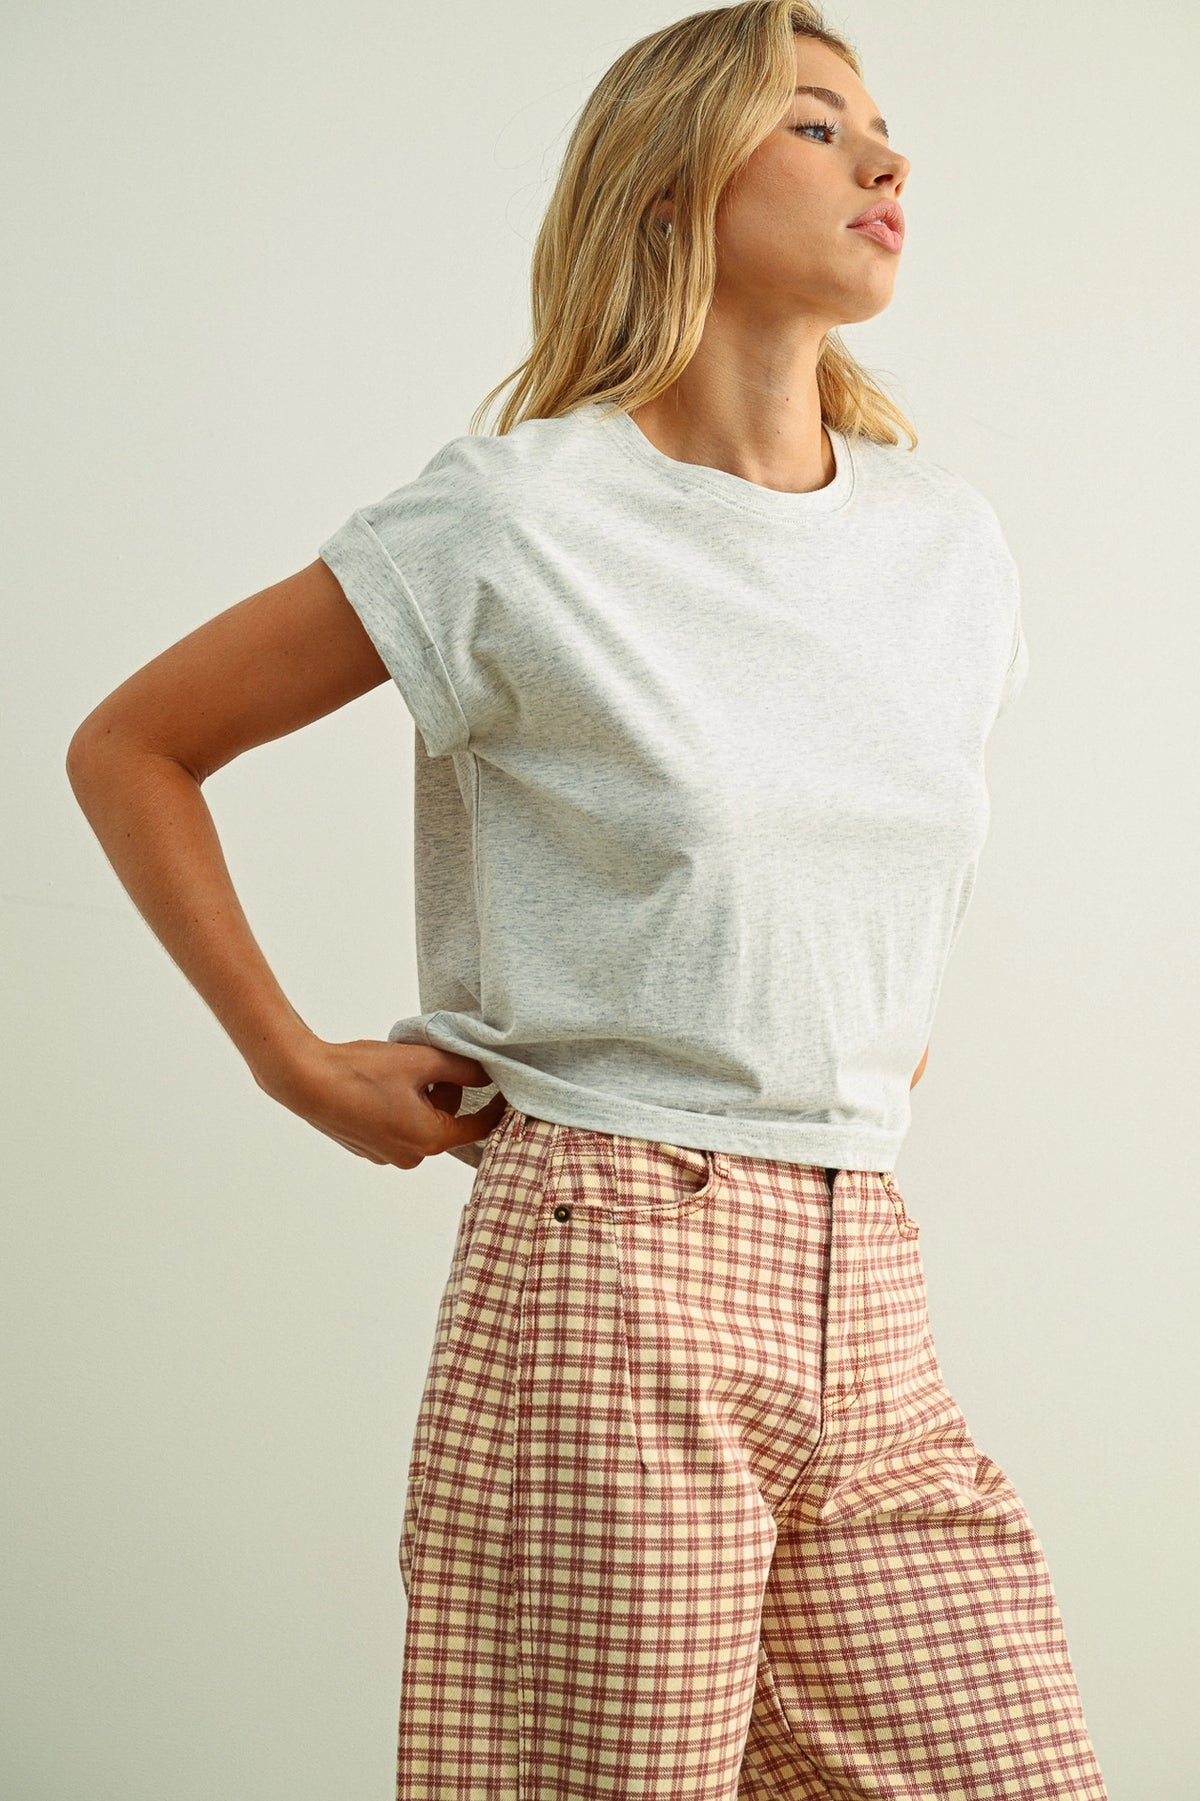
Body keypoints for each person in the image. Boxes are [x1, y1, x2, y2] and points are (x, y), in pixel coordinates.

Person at [66, 1, 1110, 1795]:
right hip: (613, 1257)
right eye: (812, 123)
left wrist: (855, 1033)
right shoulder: (515, 521)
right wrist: (292, 1060)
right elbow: (136, 744)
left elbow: (873, 852)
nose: (885, 159)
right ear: (669, 181)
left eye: (883, 125)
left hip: (868, 1266)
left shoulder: (948, 549)